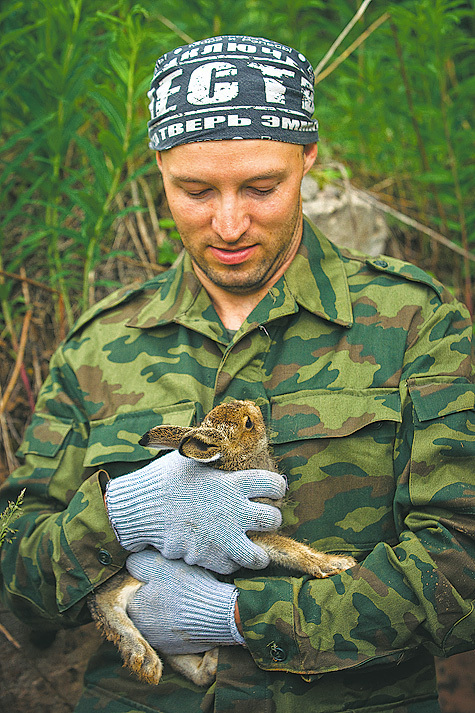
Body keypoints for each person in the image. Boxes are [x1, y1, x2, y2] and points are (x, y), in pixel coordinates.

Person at [1, 34, 475, 713]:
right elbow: (18, 577)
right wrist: (119, 515)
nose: (229, 224)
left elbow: (458, 562)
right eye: (194, 190)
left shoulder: (411, 321)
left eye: (261, 186)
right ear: (158, 164)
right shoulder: (99, 345)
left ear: (307, 155)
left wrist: (235, 615)